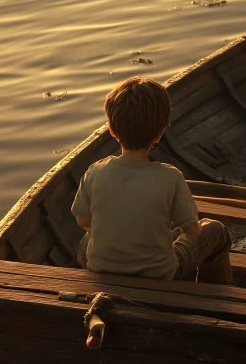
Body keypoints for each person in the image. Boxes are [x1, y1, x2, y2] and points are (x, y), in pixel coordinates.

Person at [71, 77, 234, 285]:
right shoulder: (170, 176)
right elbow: (191, 229)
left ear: (111, 130)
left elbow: (83, 220)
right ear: (159, 133)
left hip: (103, 268)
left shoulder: (95, 171)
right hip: (160, 274)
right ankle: (215, 297)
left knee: (87, 241)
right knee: (215, 229)